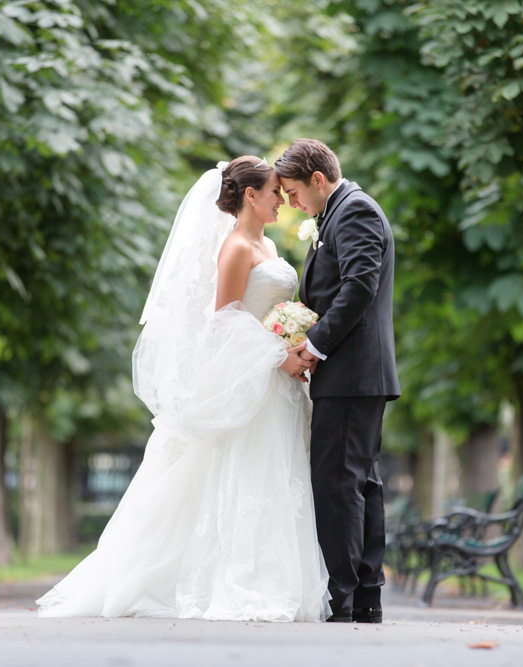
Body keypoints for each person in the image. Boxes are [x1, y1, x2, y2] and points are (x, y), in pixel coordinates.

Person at [36, 157, 330, 622]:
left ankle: (274, 577)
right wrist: (279, 353)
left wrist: (293, 339)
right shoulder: (235, 247)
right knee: (242, 473)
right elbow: (224, 321)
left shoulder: (269, 247)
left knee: (275, 477)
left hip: (277, 383)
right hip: (254, 375)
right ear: (250, 196)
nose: (281, 200)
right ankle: (237, 582)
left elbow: (269, 312)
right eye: (275, 192)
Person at [275, 139, 400, 624]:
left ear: (318, 181)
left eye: (292, 192)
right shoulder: (340, 213)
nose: (290, 203)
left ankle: (343, 599)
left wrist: (313, 346)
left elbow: (359, 286)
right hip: (353, 374)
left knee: (338, 486)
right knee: (359, 483)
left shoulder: (355, 212)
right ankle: (365, 597)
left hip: (351, 373)